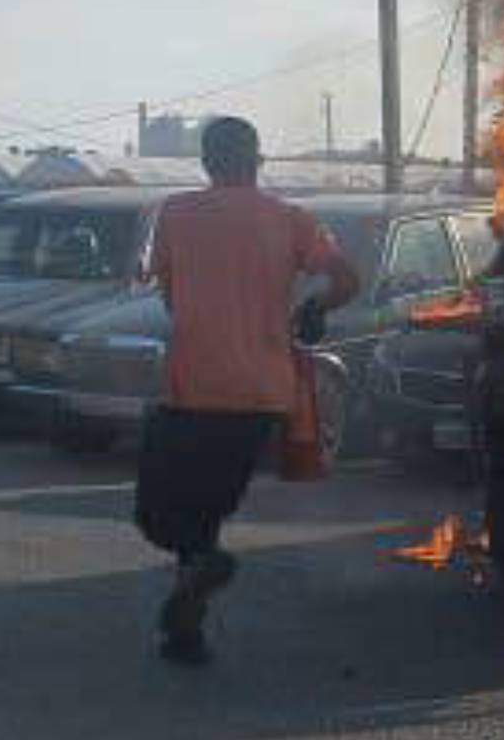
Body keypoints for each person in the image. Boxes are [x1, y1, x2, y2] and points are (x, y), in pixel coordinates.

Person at [133, 117, 360, 666]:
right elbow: (347, 278)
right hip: (260, 395)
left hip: (191, 388)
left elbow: (169, 295)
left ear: (207, 162)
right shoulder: (290, 219)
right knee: (207, 508)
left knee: (161, 512)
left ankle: (200, 574)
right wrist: (313, 308)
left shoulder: (177, 214)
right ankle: (186, 633)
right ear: (256, 161)